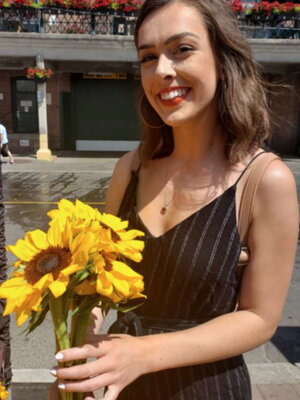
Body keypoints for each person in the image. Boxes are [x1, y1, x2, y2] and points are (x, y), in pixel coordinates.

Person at [48, 0, 299, 399]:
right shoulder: (129, 169)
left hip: (207, 388)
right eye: (148, 57)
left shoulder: (265, 179)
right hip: (122, 386)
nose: (162, 71)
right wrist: (80, 344)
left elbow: (260, 318)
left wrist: (144, 353)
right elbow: (97, 283)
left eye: (182, 50)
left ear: (223, 59)